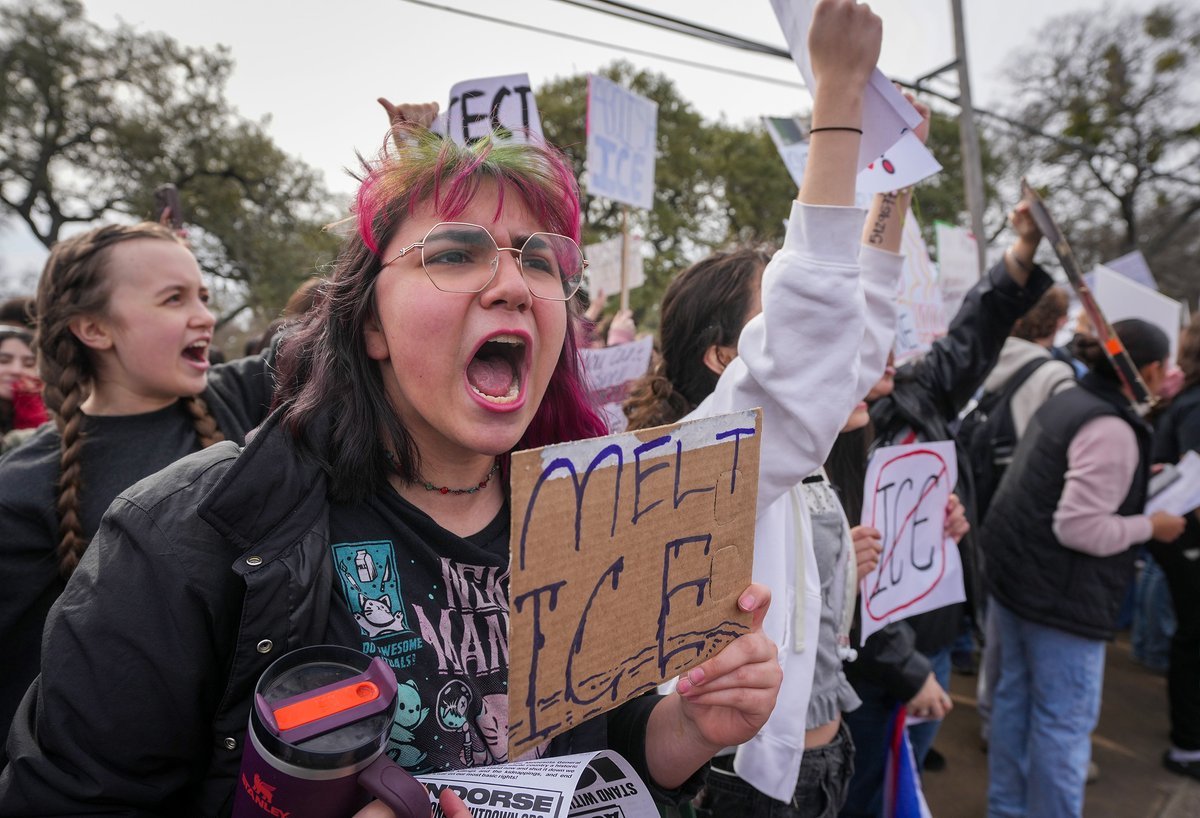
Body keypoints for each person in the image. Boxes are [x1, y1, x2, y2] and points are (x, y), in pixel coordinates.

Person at [0, 118, 781, 817]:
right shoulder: (183, 537)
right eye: (453, 253)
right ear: (369, 323)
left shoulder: (589, 512)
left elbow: (600, 747)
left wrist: (686, 727)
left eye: (540, 260)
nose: (512, 282)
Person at [625, 23, 923, 815]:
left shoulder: (785, 444)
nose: (817, 348)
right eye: (773, 321)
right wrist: (837, 99)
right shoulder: (694, 461)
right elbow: (813, 343)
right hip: (738, 783)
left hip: (822, 754)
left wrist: (893, 181)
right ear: (726, 358)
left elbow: (848, 350)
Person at [0, 222, 275, 740]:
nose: (206, 316)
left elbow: (343, 322)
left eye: (203, 295)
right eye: (173, 299)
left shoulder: (241, 395)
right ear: (94, 330)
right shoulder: (22, 489)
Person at [839, 200, 1056, 818]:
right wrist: (909, 671)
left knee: (900, 792)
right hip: (875, 668)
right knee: (864, 797)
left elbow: (975, 332)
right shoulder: (818, 438)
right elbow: (842, 584)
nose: (883, 345)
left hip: (933, 635)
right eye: (864, 329)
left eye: (887, 325)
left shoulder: (917, 390)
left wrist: (1020, 253)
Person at [983, 319, 1188, 818]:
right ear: (1152, 369)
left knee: (1015, 700)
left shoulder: (1072, 398)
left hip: (1020, 583)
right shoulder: (1110, 426)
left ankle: (1007, 809)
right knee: (1062, 724)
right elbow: (1078, 527)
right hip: (1061, 600)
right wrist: (1150, 526)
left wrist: (1141, 482)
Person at [972, 286, 1077, 744]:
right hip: (1032, 513)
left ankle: (991, 718)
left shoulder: (984, 359)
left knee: (999, 625)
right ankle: (1014, 731)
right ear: (1057, 322)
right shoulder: (1055, 375)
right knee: (1030, 636)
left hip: (986, 505)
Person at [1149, 315, 1200, 780]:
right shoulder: (1195, 403)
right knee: (1193, 636)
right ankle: (1188, 744)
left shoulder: (1186, 397)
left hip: (1178, 534)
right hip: (1181, 535)